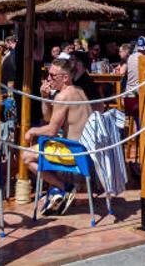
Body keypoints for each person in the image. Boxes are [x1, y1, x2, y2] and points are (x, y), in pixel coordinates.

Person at [21, 58, 92, 216]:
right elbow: (48, 118)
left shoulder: (63, 97)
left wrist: (32, 131)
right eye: (48, 74)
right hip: (85, 151)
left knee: (26, 157)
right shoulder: (78, 90)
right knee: (43, 147)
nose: (48, 79)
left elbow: (52, 130)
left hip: (74, 153)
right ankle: (62, 189)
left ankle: (64, 188)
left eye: (53, 76)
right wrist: (44, 96)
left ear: (65, 78)